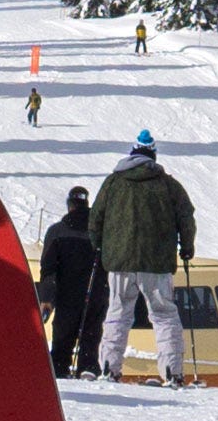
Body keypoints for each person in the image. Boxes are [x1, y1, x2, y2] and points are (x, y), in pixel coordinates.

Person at [94, 129, 199, 385]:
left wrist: (99, 247)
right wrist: (186, 247)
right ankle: (172, 372)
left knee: (118, 312)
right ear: (153, 154)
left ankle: (109, 367)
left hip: (120, 262)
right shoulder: (168, 185)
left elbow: (96, 217)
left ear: (132, 152)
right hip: (157, 263)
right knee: (163, 315)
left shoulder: (113, 183)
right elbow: (186, 217)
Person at [38, 184, 108, 377]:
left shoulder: (57, 231)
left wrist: (47, 299)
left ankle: (59, 374)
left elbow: (48, 270)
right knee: (91, 341)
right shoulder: (100, 233)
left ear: (70, 205)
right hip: (96, 294)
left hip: (66, 297)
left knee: (61, 345)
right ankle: (88, 370)